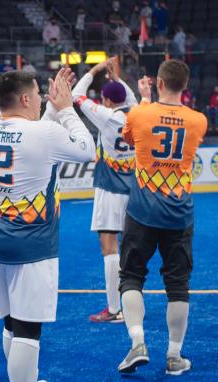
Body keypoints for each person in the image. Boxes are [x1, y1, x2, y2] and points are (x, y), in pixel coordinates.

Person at [0, 68, 95, 382]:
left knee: (10, 322)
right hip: (29, 244)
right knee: (28, 329)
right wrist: (67, 109)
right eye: (39, 95)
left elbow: (32, 134)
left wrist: (54, 108)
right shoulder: (43, 134)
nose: (43, 100)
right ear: (26, 98)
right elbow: (87, 149)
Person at [118, 59, 208, 375]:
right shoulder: (198, 120)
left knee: (130, 276)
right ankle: (174, 355)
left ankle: (137, 342)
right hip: (179, 214)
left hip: (141, 211)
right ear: (185, 86)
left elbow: (131, 138)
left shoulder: (139, 113)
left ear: (158, 83)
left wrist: (144, 101)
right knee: (178, 284)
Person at [71, 57, 137, 323]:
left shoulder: (106, 116)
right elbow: (130, 97)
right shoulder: (138, 111)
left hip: (109, 189)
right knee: (132, 249)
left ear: (107, 101)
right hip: (134, 190)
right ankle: (131, 303)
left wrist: (95, 71)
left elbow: (77, 95)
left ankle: (113, 308)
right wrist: (117, 78)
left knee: (109, 246)